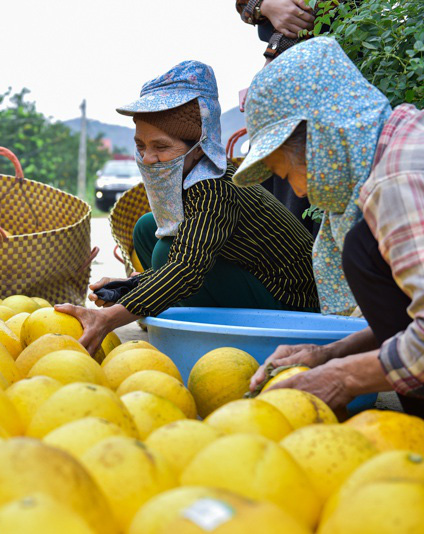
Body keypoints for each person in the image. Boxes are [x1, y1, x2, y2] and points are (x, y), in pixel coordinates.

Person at [56, 61, 319, 356]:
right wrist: (130, 286)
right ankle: (163, 304)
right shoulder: (189, 179)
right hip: (247, 279)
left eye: (162, 147)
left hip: (289, 304)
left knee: (165, 251)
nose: (149, 158)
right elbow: (194, 253)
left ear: (200, 145)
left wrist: (108, 319)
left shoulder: (214, 188)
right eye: (141, 145)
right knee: (146, 228)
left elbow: (187, 266)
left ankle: (195, 330)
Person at [233, 37, 424, 416]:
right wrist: (329, 354)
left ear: (323, 138)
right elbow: (409, 320)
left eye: (287, 174)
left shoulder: (396, 185)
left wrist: (344, 377)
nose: (300, 191)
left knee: (361, 248)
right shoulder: (401, 142)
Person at [236, 0, 320, 236]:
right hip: (279, 91)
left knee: (293, 220)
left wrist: (272, 63)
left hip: (309, 89)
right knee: (269, 213)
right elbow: (242, 5)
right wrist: (264, 6)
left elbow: (308, 15)